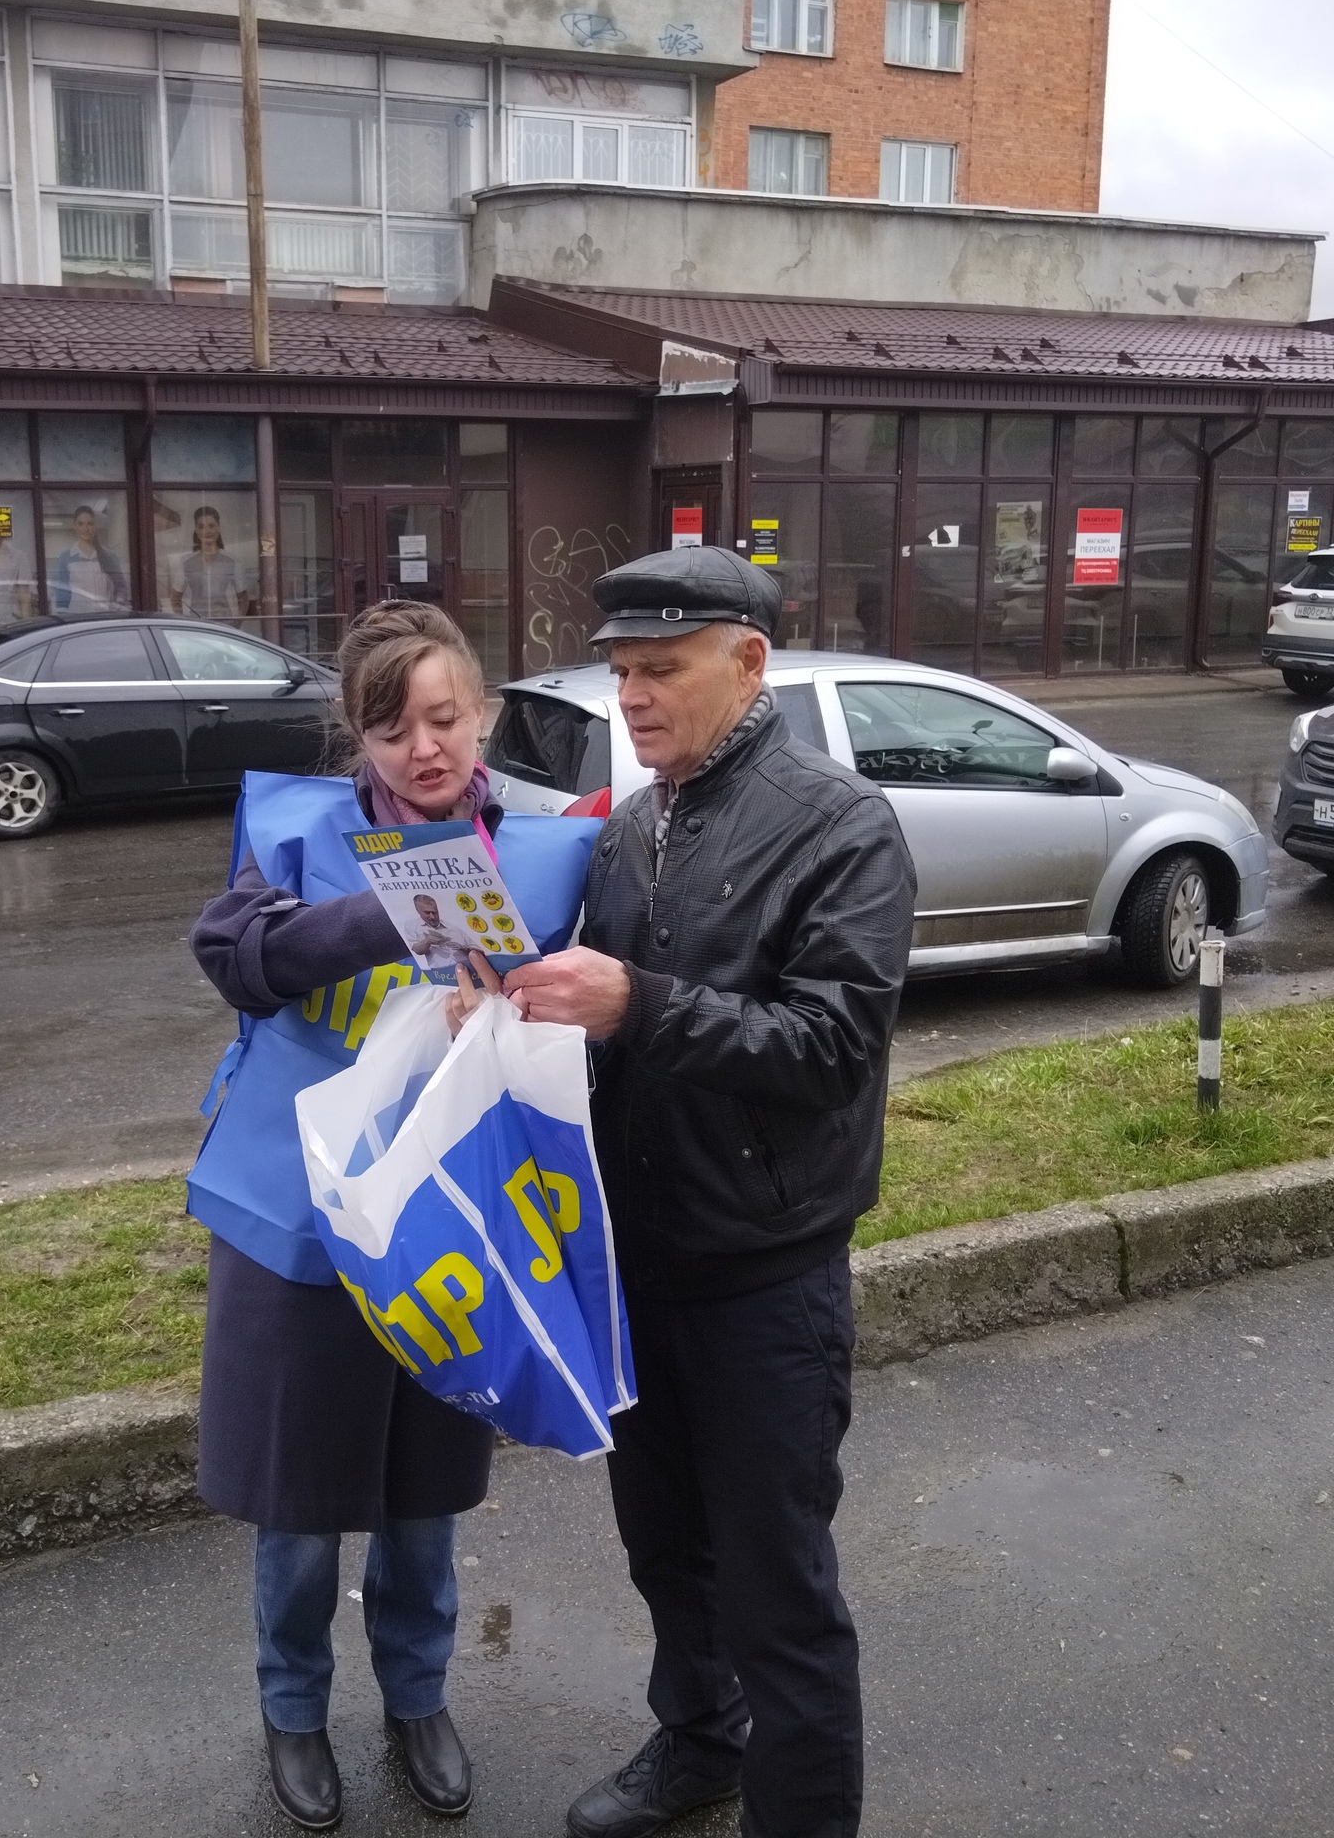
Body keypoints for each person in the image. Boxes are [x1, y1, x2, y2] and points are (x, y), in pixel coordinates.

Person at [488, 546, 917, 1838]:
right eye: (621, 671)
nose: (632, 697)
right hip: (638, 1269)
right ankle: (700, 1746)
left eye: (661, 669)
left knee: (780, 1596)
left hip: (766, 1282)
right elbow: (615, 1042)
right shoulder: (632, 827)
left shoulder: (842, 827)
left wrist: (637, 1003)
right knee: (666, 1549)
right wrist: (517, 1015)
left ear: (748, 662)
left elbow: (830, 1050)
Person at [187, 600, 600, 1832]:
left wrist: (512, 1005)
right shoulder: (293, 831)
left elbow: (581, 1012)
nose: (423, 749)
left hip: (451, 1213)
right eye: (390, 728)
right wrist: (406, 904)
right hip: (299, 1218)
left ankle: (418, 1698)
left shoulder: (547, 850)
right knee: (303, 1502)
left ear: (482, 714)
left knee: (424, 1494)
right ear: (355, 736)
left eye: (443, 719)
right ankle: (294, 1709)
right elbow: (237, 959)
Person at [178, 503, 256, 624]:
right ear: (196, 530)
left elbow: (243, 599)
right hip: (196, 624)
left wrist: (236, 624)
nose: (207, 531)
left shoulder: (232, 561)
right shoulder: (186, 562)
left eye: (211, 525)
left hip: (223, 624)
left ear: (218, 528)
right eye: (201, 526)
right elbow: (175, 597)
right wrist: (182, 623)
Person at [51, 503, 127, 613]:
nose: (85, 529)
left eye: (90, 524)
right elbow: (61, 593)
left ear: (95, 526)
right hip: (78, 618)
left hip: (105, 617)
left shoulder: (109, 556)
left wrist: (118, 604)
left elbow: (120, 586)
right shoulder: (66, 558)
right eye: (81, 524)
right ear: (75, 526)